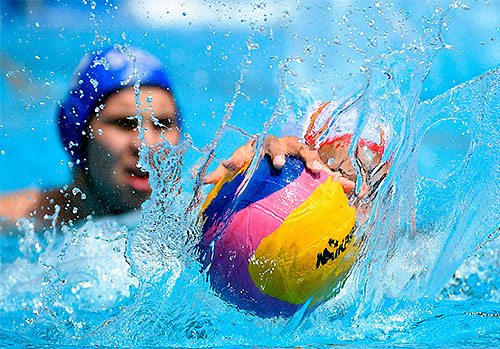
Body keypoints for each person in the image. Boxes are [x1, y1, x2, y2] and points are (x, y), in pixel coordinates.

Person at [0, 45, 325, 228]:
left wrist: (281, 175)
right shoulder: (27, 219)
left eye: (163, 124)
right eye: (125, 124)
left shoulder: (196, 219)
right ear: (78, 137)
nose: (147, 144)